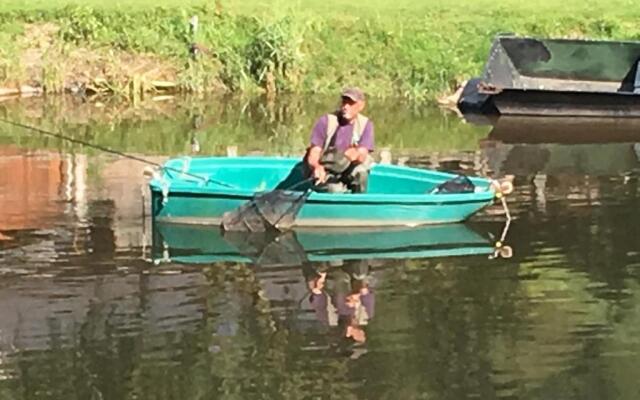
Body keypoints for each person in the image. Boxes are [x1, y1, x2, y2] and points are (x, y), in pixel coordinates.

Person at [305, 87, 375, 193]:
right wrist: (316, 167)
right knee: (334, 189)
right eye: (344, 102)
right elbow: (314, 153)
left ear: (361, 106)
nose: (345, 107)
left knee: (361, 173)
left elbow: (363, 154)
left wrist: (354, 155)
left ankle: (358, 203)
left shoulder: (366, 125)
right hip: (325, 171)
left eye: (351, 103)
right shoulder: (326, 121)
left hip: (348, 169)